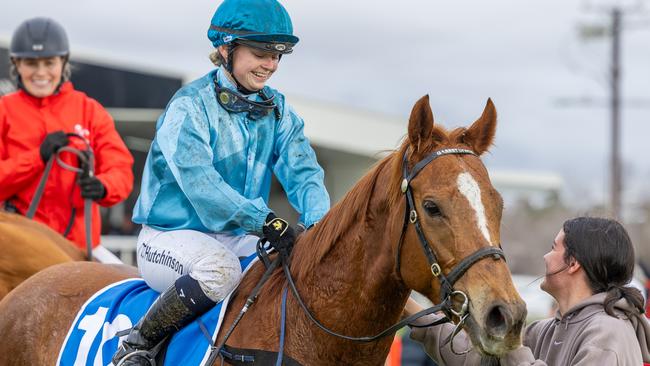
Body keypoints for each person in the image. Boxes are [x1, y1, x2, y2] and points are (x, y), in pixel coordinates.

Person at [112, 0, 330, 364]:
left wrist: (320, 225)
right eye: (262, 52)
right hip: (168, 238)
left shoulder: (278, 111)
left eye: (279, 55)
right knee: (220, 270)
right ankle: (136, 346)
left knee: (293, 272)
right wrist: (263, 220)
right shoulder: (188, 108)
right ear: (225, 47)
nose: (272, 65)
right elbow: (204, 188)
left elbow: (305, 172)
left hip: (238, 237)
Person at [406, 216, 650, 365]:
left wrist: (514, 351)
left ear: (573, 263)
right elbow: (470, 359)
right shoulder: (544, 330)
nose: (545, 256)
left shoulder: (608, 334)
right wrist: (409, 309)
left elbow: (516, 357)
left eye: (553, 247)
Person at [0, 17, 134, 263]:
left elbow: (121, 171)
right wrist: (36, 158)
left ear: (63, 63)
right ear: (16, 64)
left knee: (131, 290)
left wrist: (102, 185)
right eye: (31, 63)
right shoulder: (4, 111)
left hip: (80, 249)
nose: (41, 73)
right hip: (21, 249)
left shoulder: (90, 110)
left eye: (49, 63)